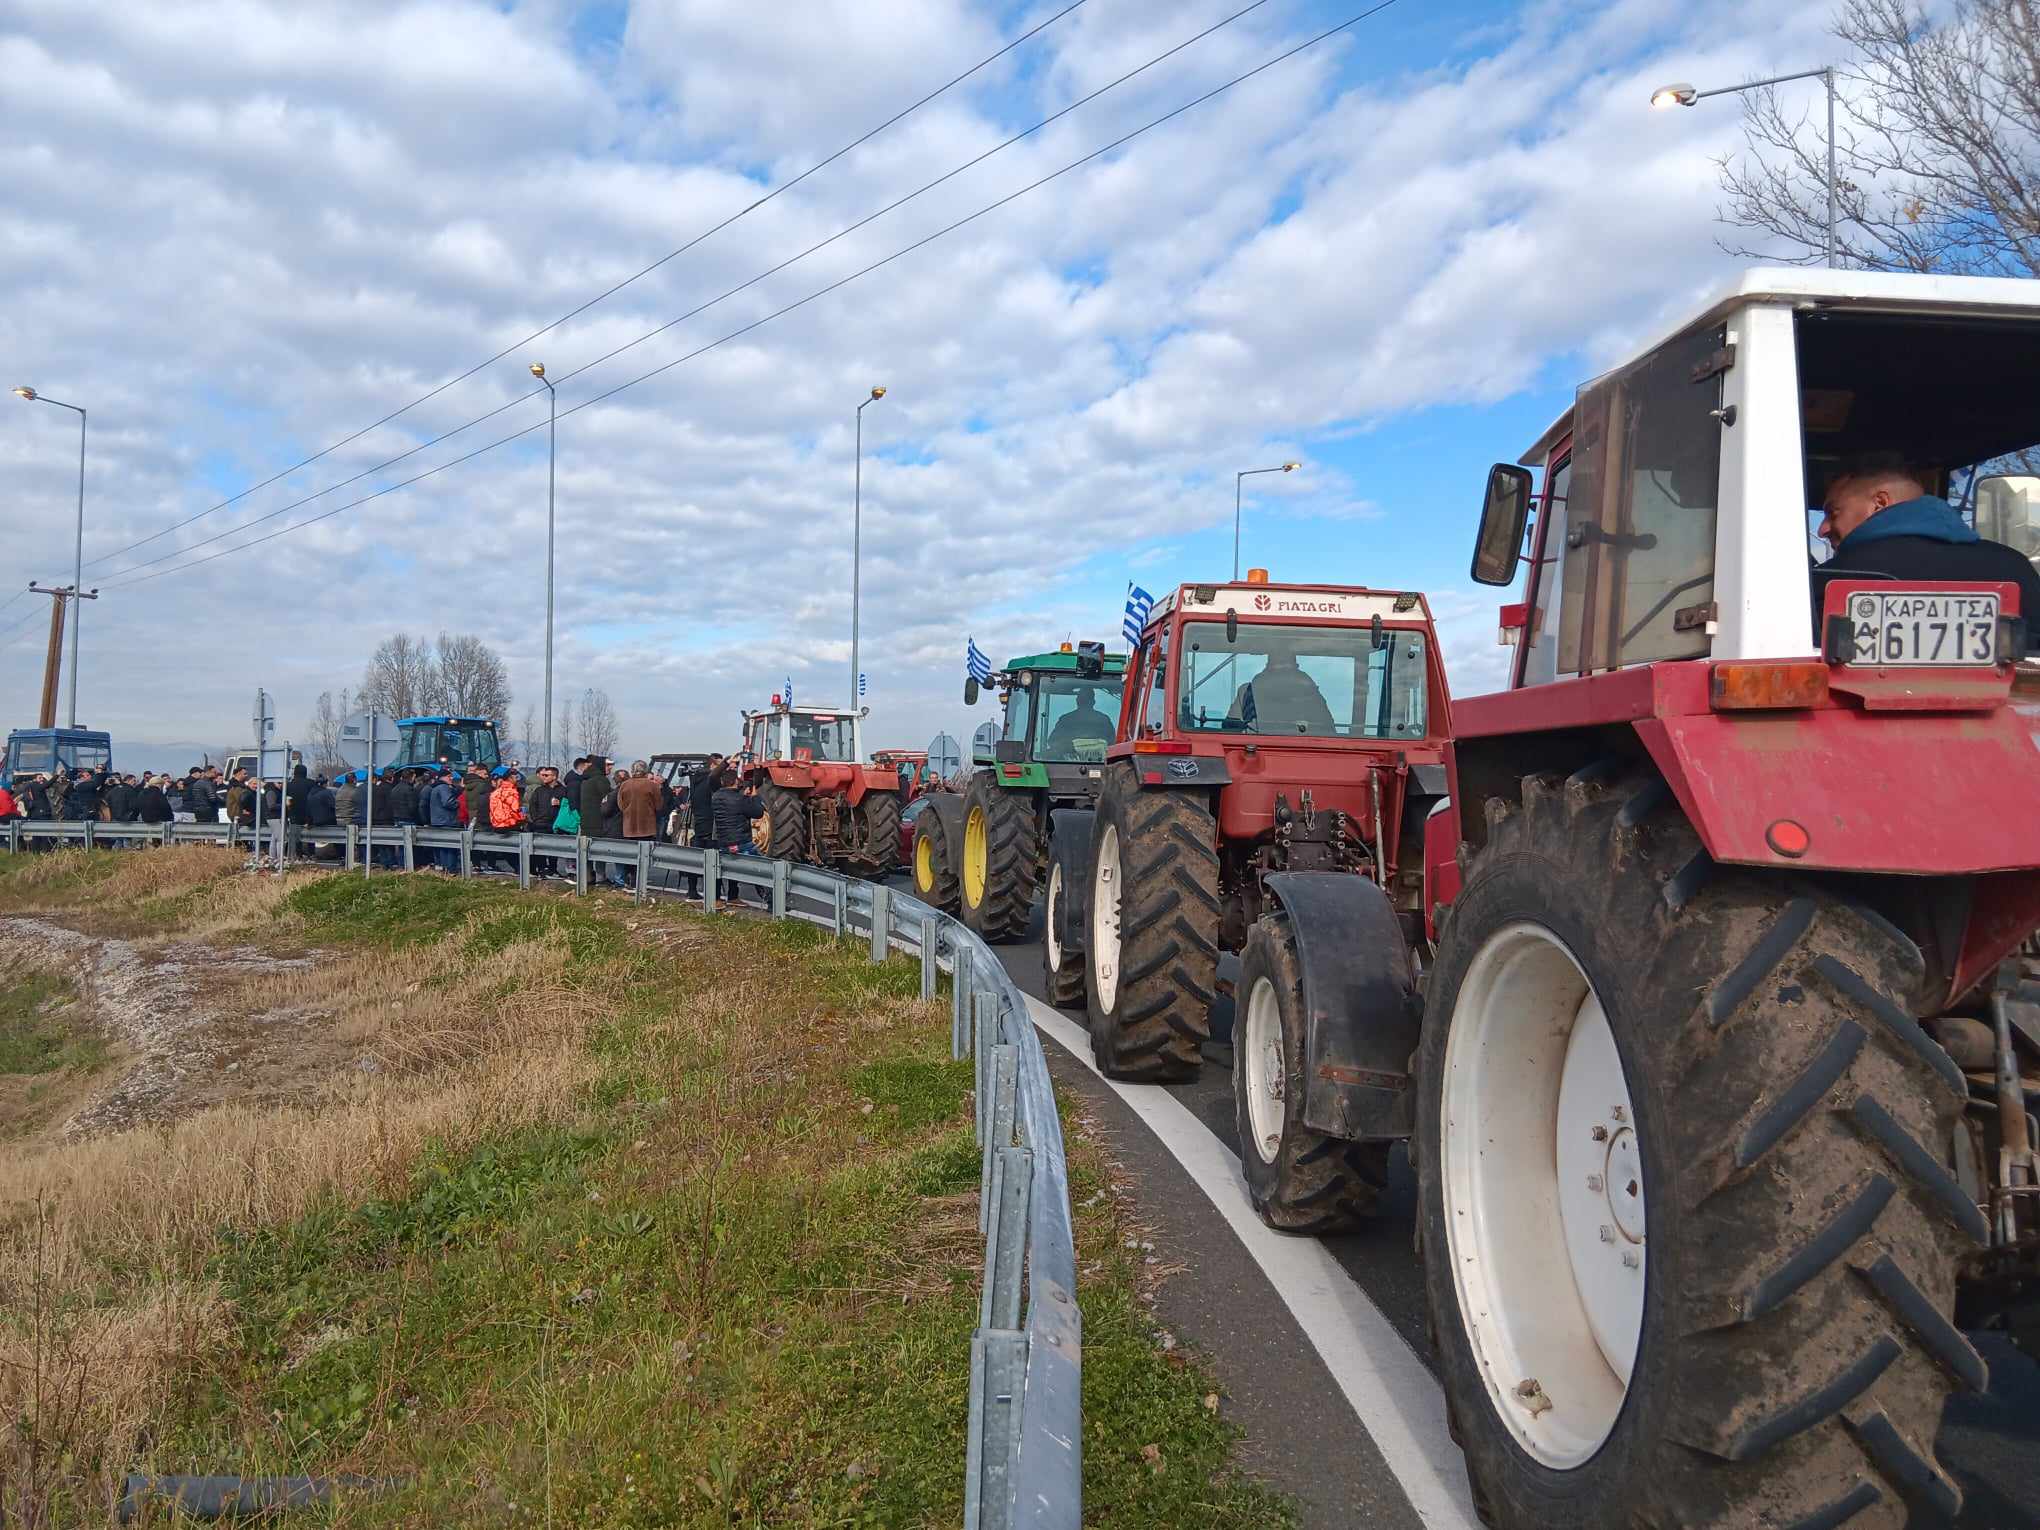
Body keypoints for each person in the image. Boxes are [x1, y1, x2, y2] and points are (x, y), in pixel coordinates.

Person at [1813, 452, 2040, 643]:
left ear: (1880, 503)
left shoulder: (1829, 581)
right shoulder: (2015, 568)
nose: (1822, 529)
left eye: (1833, 513)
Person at [1229, 646, 1337, 735]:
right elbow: (1328, 730)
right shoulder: (1311, 692)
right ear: (1294, 663)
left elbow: (1230, 729)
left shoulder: (1247, 691)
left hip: (1253, 752)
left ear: (1269, 663)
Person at [710, 769, 765, 908]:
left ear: (722, 782)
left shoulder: (715, 797)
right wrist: (754, 798)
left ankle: (719, 898)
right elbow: (758, 813)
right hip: (742, 842)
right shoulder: (741, 799)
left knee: (720, 868)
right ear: (736, 782)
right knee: (762, 870)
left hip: (723, 841)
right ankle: (771, 900)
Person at [1043, 686, 1114, 758]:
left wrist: (1070, 747)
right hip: (1101, 766)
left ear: (1077, 701)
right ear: (1093, 702)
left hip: (1066, 765)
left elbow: (1052, 741)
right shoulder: (1104, 720)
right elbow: (1113, 744)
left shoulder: (1065, 720)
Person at [424, 767, 462, 871]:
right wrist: (458, 803)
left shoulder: (435, 788)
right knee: (450, 848)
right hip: (447, 821)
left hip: (437, 821)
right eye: (449, 776)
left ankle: (445, 869)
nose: (451, 778)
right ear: (443, 777)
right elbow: (448, 802)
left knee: (442, 847)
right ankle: (451, 870)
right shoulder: (444, 788)